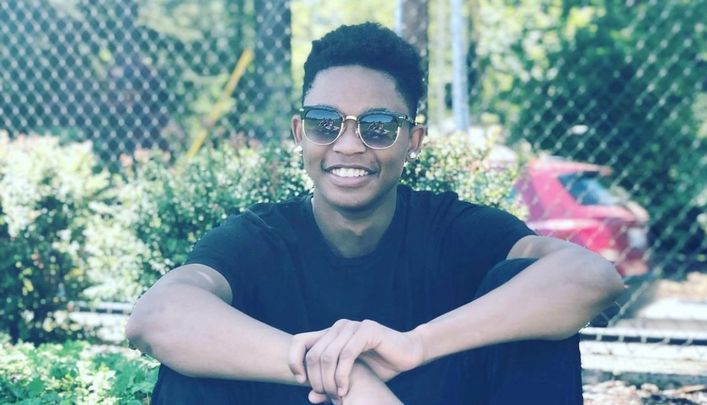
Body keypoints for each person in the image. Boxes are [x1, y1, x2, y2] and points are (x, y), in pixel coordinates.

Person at [125, 22, 624, 405]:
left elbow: (591, 278)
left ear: (413, 140)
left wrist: (415, 346)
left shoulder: (454, 230)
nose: (348, 145)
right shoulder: (258, 240)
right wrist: (340, 373)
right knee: (192, 365)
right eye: (325, 123)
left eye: (378, 126)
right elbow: (156, 316)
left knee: (531, 312)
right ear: (299, 133)